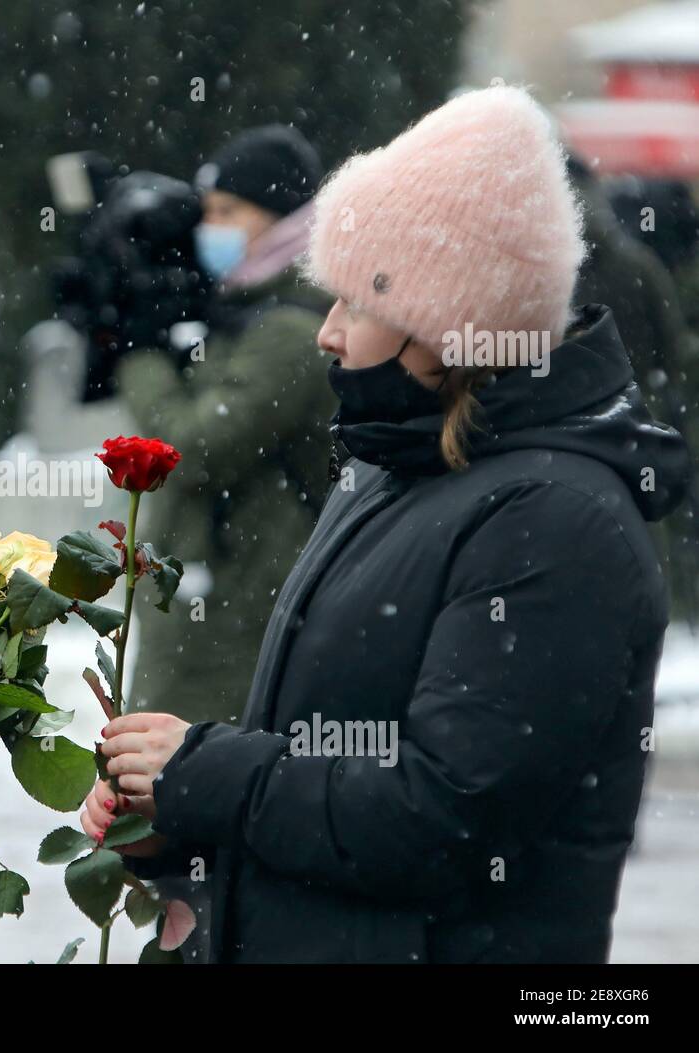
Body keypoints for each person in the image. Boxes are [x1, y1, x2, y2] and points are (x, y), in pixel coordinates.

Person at [84, 85, 691, 963]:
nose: (325, 333)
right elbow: (319, 769)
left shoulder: (554, 523)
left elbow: (442, 817)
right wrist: (170, 825)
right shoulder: (397, 464)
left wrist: (208, 773)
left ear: (445, 325)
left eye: (353, 304)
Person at [117, 125, 334, 727]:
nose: (210, 227)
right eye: (206, 210)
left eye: (229, 210)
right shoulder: (241, 311)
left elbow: (187, 447)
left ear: (282, 217)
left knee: (184, 782)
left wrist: (136, 356)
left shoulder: (289, 331)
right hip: (214, 599)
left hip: (241, 609)